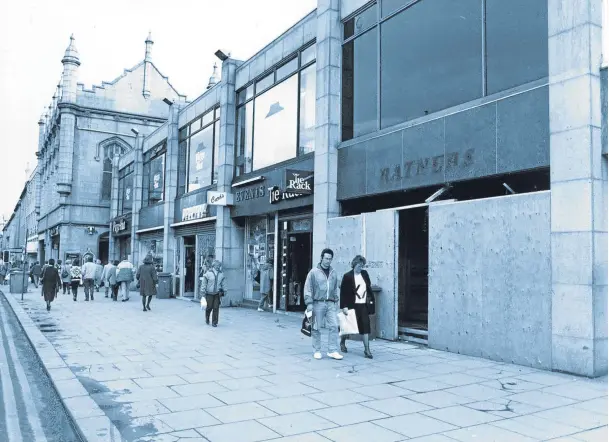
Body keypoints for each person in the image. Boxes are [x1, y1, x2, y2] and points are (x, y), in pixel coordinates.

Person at [304, 248, 343, 361]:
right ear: (321, 258)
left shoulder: (333, 273)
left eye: (330, 259)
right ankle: (317, 350)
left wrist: (336, 301)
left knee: (334, 326)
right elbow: (308, 288)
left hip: (330, 303)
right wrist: (309, 303)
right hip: (317, 303)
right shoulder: (314, 272)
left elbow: (335, 288)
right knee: (316, 327)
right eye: (326, 258)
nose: (328, 261)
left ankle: (332, 350)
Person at [339, 255, 374, 359]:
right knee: (348, 327)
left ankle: (367, 349)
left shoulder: (365, 274)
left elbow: (368, 285)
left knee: (365, 326)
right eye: (359, 265)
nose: (361, 268)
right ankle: (342, 342)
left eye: (362, 266)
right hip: (351, 305)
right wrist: (344, 306)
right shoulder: (347, 276)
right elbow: (343, 293)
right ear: (354, 264)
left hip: (363, 304)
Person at [201, 260, 225, 327]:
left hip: (217, 294)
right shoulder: (208, 273)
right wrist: (203, 292)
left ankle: (214, 322)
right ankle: (207, 318)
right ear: (213, 265)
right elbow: (204, 284)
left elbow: (223, 284)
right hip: (209, 293)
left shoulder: (221, 274)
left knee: (216, 308)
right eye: (217, 265)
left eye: (219, 266)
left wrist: (224, 291)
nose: (218, 267)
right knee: (209, 307)